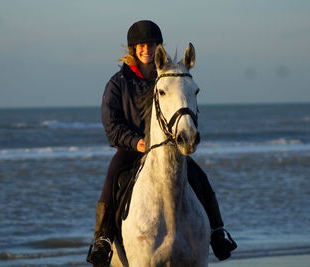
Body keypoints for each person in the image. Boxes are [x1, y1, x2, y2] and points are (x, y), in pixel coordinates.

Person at [87, 20, 236, 266]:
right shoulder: (118, 83)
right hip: (132, 149)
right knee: (113, 174)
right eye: (141, 45)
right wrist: (136, 142)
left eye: (152, 44)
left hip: (168, 148)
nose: (147, 49)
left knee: (200, 179)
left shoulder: (170, 76)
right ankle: (102, 239)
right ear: (133, 49)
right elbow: (112, 125)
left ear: (159, 47)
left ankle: (217, 232)